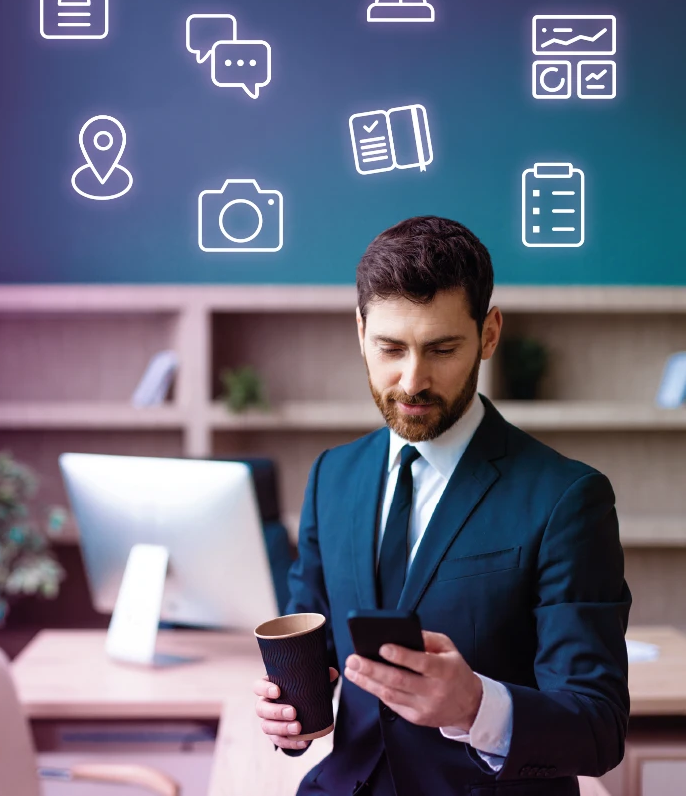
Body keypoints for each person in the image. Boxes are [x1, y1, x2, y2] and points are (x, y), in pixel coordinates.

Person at [253, 216, 631, 795]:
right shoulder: (333, 475)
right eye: (389, 348)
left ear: (489, 333)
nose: (412, 380)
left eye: (442, 348)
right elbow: (314, 642)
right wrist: (290, 716)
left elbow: (598, 728)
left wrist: (477, 706)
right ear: (359, 332)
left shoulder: (567, 499)